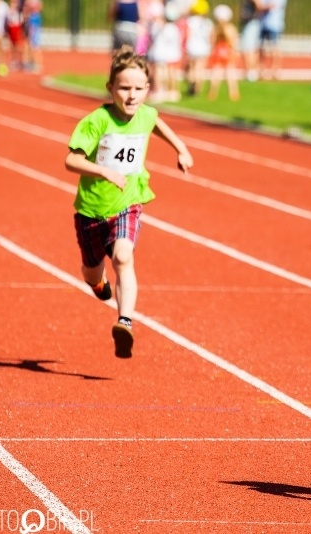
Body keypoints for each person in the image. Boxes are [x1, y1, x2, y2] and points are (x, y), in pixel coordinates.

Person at [64, 46, 194, 358]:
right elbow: (71, 160)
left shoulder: (146, 114)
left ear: (147, 89)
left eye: (138, 89)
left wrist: (181, 149)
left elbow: (157, 123)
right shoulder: (97, 121)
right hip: (91, 210)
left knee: (123, 257)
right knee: (91, 271)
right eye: (124, 88)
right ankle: (98, 283)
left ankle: (125, 322)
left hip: (128, 203)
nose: (132, 96)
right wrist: (103, 171)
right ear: (110, 88)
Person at [208, 3, 240, 101]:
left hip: (218, 53)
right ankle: (233, 93)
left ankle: (212, 92)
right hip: (228, 53)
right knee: (230, 73)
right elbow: (234, 42)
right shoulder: (231, 28)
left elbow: (211, 41)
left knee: (216, 73)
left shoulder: (215, 29)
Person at [184, 0, 213, 96]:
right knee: (200, 68)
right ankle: (198, 88)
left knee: (192, 67)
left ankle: (192, 84)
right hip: (204, 47)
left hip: (193, 47)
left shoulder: (191, 21)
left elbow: (188, 34)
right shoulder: (208, 22)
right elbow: (210, 37)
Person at [241, 0, 270, 82]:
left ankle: (251, 72)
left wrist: (269, 6)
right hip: (252, 22)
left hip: (251, 22)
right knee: (251, 48)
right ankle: (252, 71)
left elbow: (259, 6)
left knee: (249, 49)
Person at [259, 0, 287, 80]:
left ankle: (275, 70)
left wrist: (263, 7)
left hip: (275, 25)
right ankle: (261, 70)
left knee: (275, 48)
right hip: (263, 24)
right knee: (261, 48)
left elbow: (272, 5)